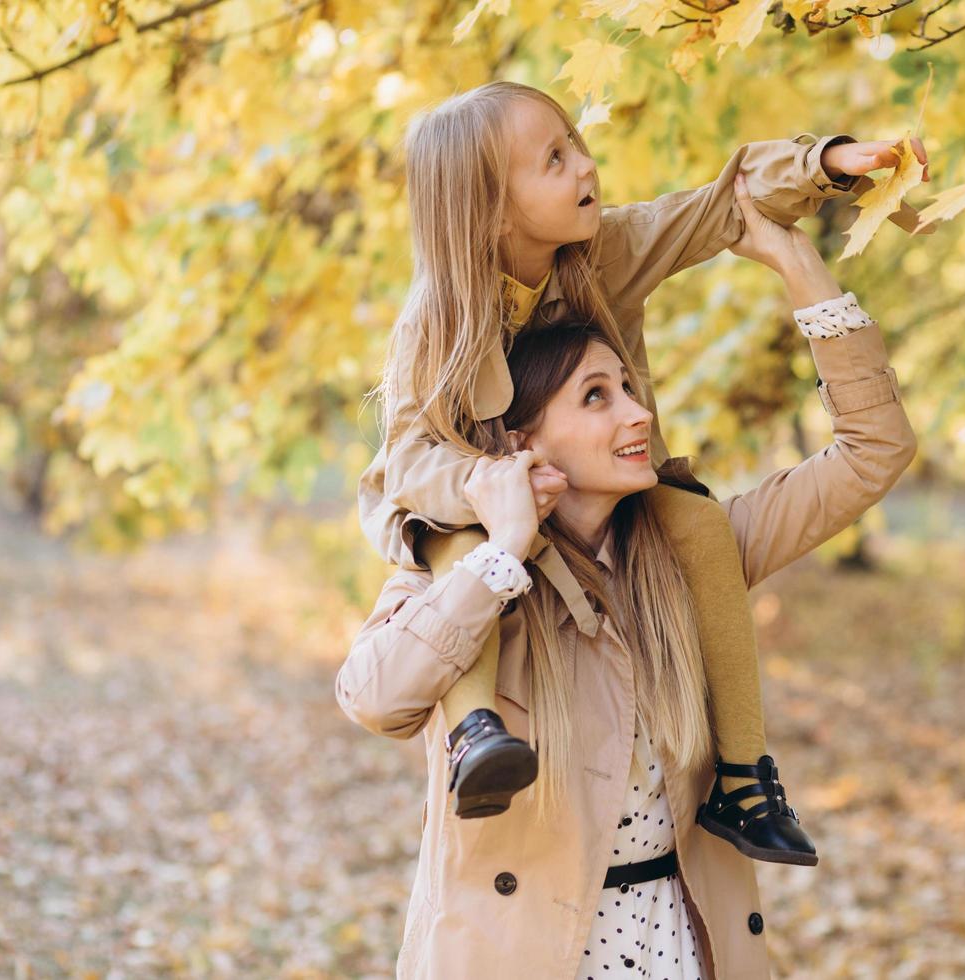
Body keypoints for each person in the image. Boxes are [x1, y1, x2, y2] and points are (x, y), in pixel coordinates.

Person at [336, 171, 918, 979]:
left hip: (678, 941)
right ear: (521, 443)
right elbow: (372, 695)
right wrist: (502, 547)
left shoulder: (689, 557)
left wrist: (798, 268)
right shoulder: (463, 569)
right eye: (597, 398)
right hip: (525, 953)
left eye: (630, 389)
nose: (638, 414)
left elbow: (873, 451)